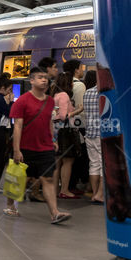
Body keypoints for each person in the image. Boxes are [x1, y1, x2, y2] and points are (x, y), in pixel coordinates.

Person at [4, 67, 71, 224]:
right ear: (31, 80)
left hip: (45, 147)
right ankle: (9, 205)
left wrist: (52, 140)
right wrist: (16, 149)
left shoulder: (49, 101)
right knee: (20, 178)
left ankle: (54, 213)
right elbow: (18, 126)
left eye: (46, 77)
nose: (44, 80)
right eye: (40, 77)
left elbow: (48, 121)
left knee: (47, 179)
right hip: (25, 147)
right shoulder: (22, 101)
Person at [53, 72, 82, 200]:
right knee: (68, 161)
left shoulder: (56, 95)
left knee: (57, 162)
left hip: (57, 131)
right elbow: (64, 116)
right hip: (66, 132)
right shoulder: (64, 95)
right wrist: (77, 110)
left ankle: (54, 190)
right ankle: (64, 190)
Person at [82, 71, 105, 204]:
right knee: (103, 164)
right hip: (101, 134)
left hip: (89, 133)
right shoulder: (105, 93)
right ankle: (100, 194)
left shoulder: (88, 92)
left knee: (94, 164)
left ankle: (95, 194)